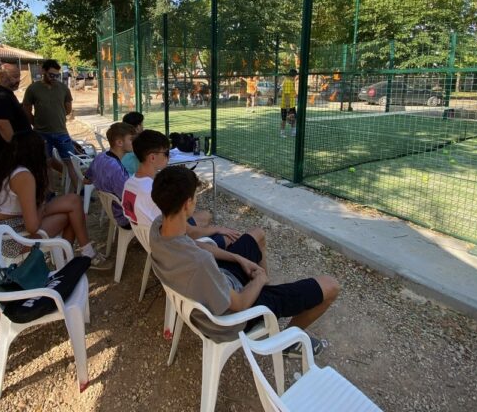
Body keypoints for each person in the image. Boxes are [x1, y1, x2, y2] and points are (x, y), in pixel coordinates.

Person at [149, 165, 340, 351]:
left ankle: (266, 291)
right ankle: (287, 341)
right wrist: (259, 280)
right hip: (232, 319)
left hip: (214, 288)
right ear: (187, 204)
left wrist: (237, 258)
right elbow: (239, 304)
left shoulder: (158, 229)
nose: (196, 201)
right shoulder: (200, 263)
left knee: (257, 235)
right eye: (195, 197)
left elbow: (195, 245)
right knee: (331, 286)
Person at [0, 130, 112, 270]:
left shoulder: (11, 167)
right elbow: (32, 227)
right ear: (35, 152)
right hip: (10, 239)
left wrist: (41, 204)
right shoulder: (23, 176)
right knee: (69, 216)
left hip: (5, 228)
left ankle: (81, 254)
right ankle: (75, 258)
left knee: (74, 200)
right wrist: (42, 206)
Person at [123, 130, 234, 247]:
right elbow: (188, 232)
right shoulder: (154, 191)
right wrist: (217, 229)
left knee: (205, 216)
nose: (169, 156)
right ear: (152, 157)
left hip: (151, 237)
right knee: (229, 237)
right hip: (170, 246)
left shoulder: (129, 183)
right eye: (166, 153)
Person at [23, 60, 78, 190]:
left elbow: (68, 109)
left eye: (56, 75)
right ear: (43, 71)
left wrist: (57, 116)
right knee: (45, 164)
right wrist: (35, 123)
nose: (54, 78)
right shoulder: (33, 89)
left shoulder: (63, 88)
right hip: (41, 134)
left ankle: (78, 190)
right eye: (51, 75)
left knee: (71, 162)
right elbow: (26, 109)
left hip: (61, 132)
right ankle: (50, 192)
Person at [84, 122, 137, 231]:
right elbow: (128, 199)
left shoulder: (100, 157)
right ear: (119, 142)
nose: (135, 142)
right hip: (125, 218)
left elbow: (86, 180)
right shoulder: (116, 169)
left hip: (112, 212)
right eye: (131, 139)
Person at [120, 111, 144, 176]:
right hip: (135, 176)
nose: (143, 127)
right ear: (138, 127)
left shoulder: (123, 139)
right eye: (142, 124)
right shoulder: (138, 142)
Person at [280, 68, 298, 138]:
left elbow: (290, 93)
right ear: (294, 75)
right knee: (284, 120)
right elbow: (287, 95)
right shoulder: (288, 82)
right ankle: (282, 133)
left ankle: (293, 132)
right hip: (286, 105)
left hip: (292, 105)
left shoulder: (290, 81)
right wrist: (287, 106)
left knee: (293, 119)